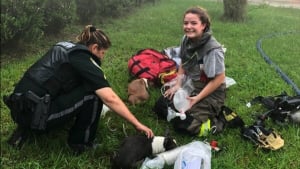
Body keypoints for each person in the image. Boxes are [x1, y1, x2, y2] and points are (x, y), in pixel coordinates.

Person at [3, 25, 154, 153]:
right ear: (94, 48)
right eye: (102, 53)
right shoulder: (83, 58)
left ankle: (26, 128)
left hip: (18, 107)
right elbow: (110, 98)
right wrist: (137, 123)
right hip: (37, 115)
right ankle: (81, 143)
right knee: (94, 95)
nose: (102, 57)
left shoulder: (64, 46)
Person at [164, 6, 226, 136]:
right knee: (161, 105)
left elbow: (219, 79)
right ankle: (187, 109)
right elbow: (183, 61)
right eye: (186, 23)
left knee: (184, 125)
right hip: (192, 83)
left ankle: (216, 123)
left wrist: (197, 98)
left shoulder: (213, 50)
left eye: (193, 23)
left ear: (203, 25)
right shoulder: (186, 40)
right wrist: (178, 85)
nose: (188, 26)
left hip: (210, 91)